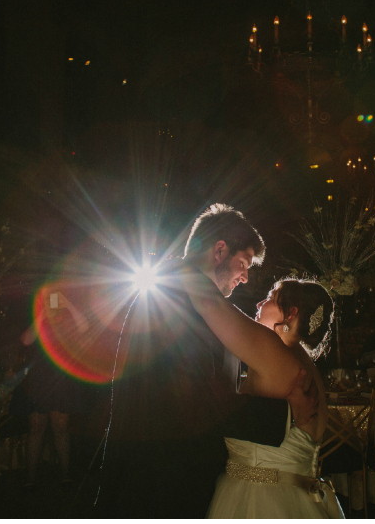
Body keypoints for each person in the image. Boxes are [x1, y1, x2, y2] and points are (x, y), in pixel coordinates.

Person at [97, 204, 318, 518]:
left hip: (169, 472)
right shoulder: (173, 302)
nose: (244, 277)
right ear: (220, 250)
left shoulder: (193, 301)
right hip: (161, 481)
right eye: (243, 263)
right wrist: (286, 414)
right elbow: (195, 403)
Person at [185, 277, 343, 518]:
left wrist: (185, 268)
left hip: (261, 500)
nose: (260, 302)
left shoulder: (275, 352)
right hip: (298, 498)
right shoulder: (305, 363)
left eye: (270, 298)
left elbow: (212, 306)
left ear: (290, 314)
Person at [20, 316, 82, 491]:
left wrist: (67, 305)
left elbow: (84, 328)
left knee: (60, 428)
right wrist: (42, 314)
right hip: (40, 378)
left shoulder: (66, 316)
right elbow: (26, 340)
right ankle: (30, 477)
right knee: (36, 428)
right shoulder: (39, 316)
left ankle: (66, 475)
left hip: (61, 378)